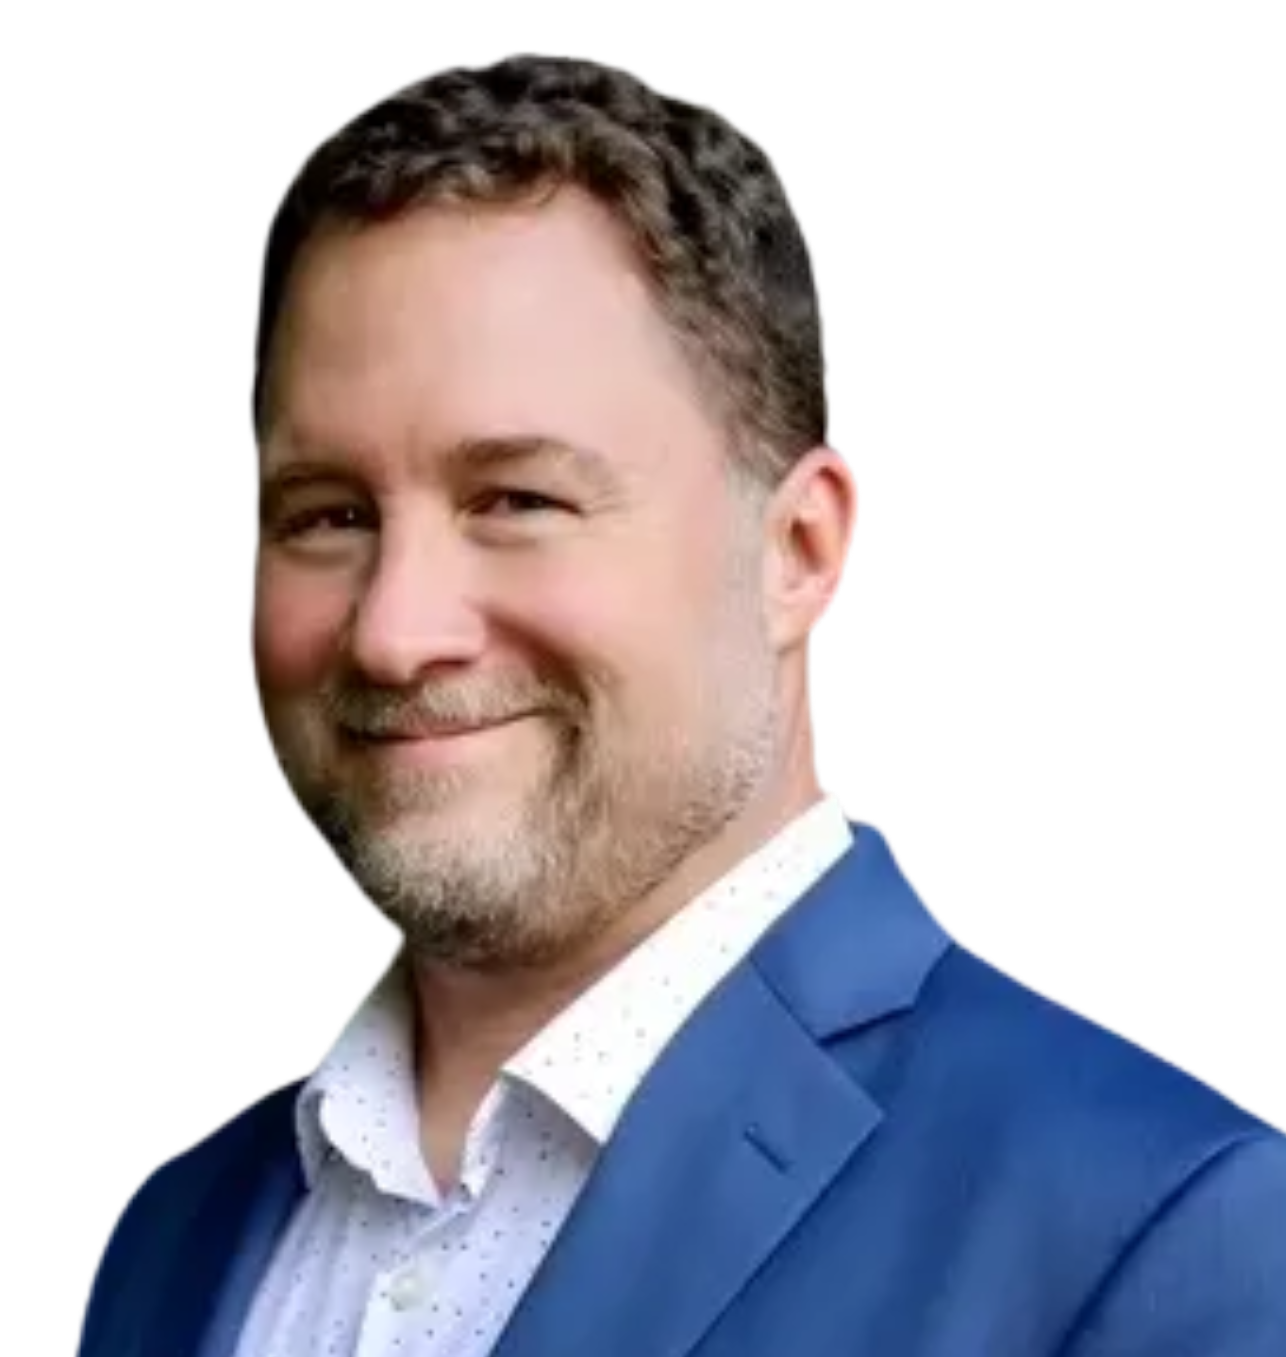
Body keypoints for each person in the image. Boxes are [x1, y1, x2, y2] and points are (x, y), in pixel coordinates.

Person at [75, 51, 1284, 1357]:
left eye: (516, 499)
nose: (394, 630)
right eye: (326, 515)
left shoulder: (1165, 1229)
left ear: (798, 552)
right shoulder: (168, 1238)